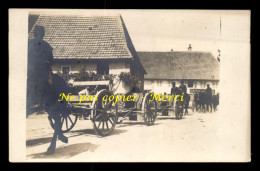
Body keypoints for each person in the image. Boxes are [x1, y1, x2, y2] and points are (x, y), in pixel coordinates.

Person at [27, 25, 68, 154]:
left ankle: (37, 101)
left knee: (37, 83)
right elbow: (51, 61)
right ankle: (36, 100)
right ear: (41, 34)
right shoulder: (46, 46)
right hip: (38, 73)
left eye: (40, 33)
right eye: (40, 33)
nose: (40, 35)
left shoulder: (30, 44)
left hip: (34, 73)